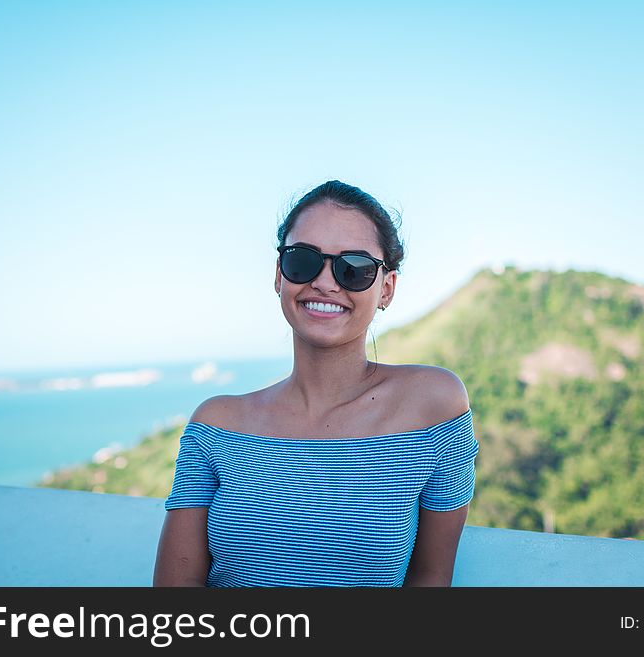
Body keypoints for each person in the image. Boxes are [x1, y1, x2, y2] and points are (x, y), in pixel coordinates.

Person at [153, 180, 479, 587]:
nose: (325, 282)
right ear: (279, 276)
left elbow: (430, 579)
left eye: (354, 267)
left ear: (387, 289)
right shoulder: (216, 425)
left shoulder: (434, 407)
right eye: (303, 260)